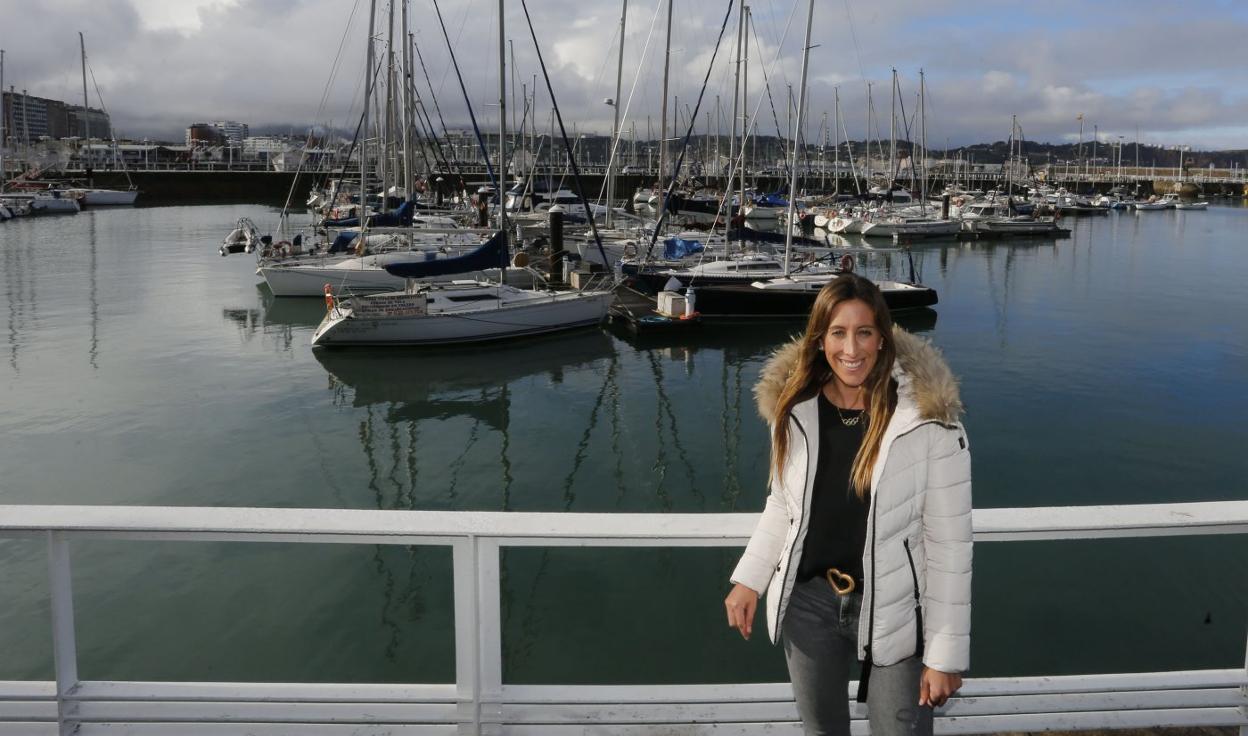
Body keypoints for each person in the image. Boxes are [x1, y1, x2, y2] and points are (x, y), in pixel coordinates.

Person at [724, 274, 972, 736]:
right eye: (838, 332)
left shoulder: (926, 423)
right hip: (808, 605)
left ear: (882, 338)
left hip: (895, 607)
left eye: (864, 332)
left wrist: (944, 657)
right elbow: (783, 505)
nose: (851, 348)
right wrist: (748, 579)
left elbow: (950, 546)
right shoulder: (796, 411)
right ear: (820, 340)